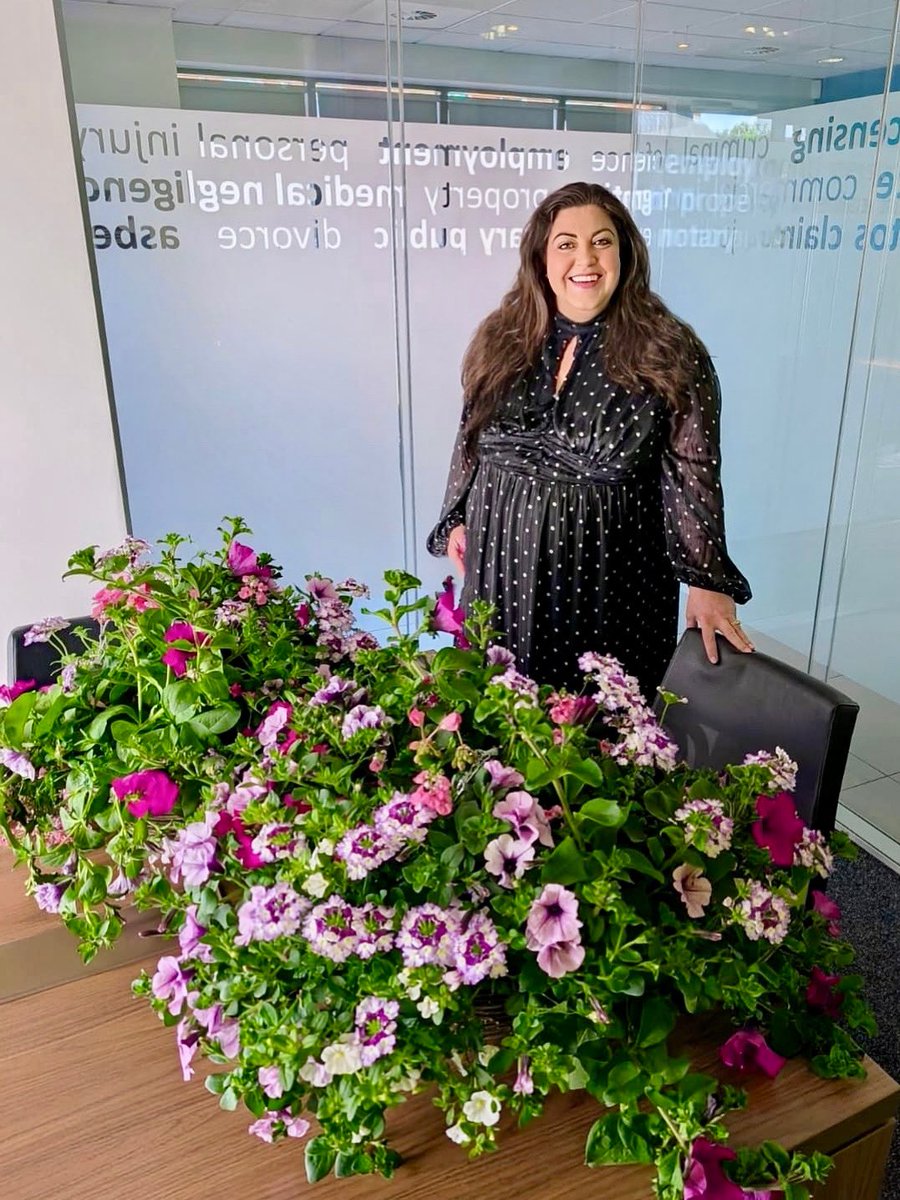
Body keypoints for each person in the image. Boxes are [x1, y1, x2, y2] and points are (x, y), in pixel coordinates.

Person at [427, 181, 752, 698]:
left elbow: (694, 469)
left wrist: (707, 580)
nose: (585, 258)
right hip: (498, 574)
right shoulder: (502, 337)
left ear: (625, 253)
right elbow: (470, 438)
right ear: (541, 257)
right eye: (566, 243)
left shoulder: (670, 350)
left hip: (606, 584)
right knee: (502, 724)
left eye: (601, 241)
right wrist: (457, 517)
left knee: (595, 735)